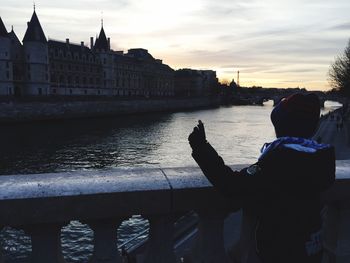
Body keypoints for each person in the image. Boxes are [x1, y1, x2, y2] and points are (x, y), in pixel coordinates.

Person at [188, 93, 335, 263]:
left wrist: (201, 148)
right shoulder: (321, 157)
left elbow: (233, 186)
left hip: (279, 251)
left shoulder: (278, 161)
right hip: (312, 248)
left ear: (282, 126)